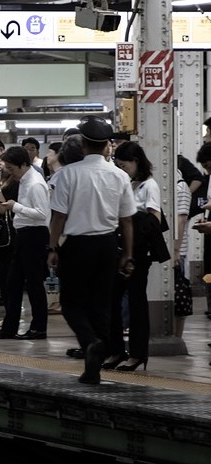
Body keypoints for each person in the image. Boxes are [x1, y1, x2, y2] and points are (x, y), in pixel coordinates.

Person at [47, 116, 136, 385]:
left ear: (83, 144)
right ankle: (93, 369)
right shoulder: (119, 175)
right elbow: (127, 220)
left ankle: (90, 342)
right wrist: (127, 254)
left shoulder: (67, 174)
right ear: (108, 146)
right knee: (101, 304)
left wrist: (52, 247)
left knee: (73, 303)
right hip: (108, 245)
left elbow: (58, 217)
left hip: (77, 245)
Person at [104, 141, 165, 372]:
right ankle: (116, 349)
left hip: (139, 251)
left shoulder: (150, 186)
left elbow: (154, 218)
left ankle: (138, 353)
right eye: (117, 165)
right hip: (121, 247)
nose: (121, 169)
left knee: (137, 301)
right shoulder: (127, 183)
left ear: (136, 161)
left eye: (124, 164)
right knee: (112, 299)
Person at [0, 147, 51, 340]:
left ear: (23, 165)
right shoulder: (24, 180)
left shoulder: (35, 184)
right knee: (13, 283)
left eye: (12, 168)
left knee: (34, 283)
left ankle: (39, 328)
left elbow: (42, 214)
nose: (10, 172)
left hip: (35, 235)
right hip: (22, 234)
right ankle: (9, 327)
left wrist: (16, 207)